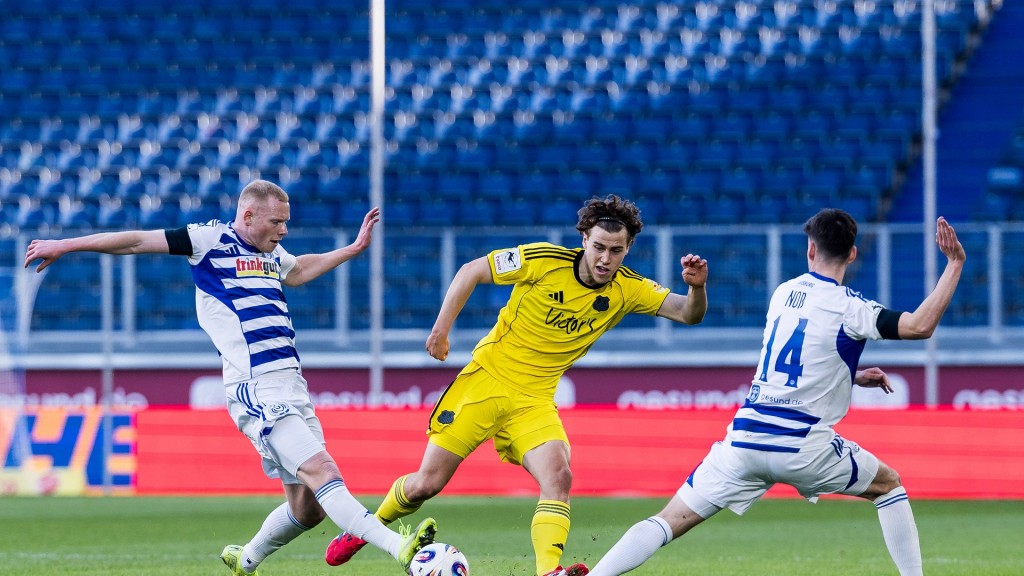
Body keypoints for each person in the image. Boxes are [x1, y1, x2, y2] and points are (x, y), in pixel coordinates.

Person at [23, 179, 437, 576]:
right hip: (255, 387)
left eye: (286, 222)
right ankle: (399, 548)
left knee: (308, 509)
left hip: (293, 384)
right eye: (277, 222)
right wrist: (67, 244)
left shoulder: (272, 254)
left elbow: (298, 270)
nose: (284, 229)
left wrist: (351, 249)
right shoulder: (208, 241)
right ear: (249, 214)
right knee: (323, 470)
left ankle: (247, 560)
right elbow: (135, 240)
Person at [324, 194, 710, 576]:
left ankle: (548, 571)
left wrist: (696, 289)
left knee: (559, 477)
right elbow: (471, 270)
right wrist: (441, 331)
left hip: (535, 400)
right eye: (599, 247)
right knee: (427, 483)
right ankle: (364, 529)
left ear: (628, 249)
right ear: (584, 241)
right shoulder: (542, 261)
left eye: (616, 250)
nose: (606, 259)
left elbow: (686, 314)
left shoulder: (629, 288)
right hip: (485, 384)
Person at [587, 209, 966, 576]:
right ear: (852, 253)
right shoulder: (851, 307)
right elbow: (919, 326)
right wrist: (953, 264)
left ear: (811, 250)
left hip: (744, 441)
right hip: (802, 446)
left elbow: (798, 360)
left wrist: (850, 375)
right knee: (888, 485)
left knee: (666, 521)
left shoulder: (784, 293)